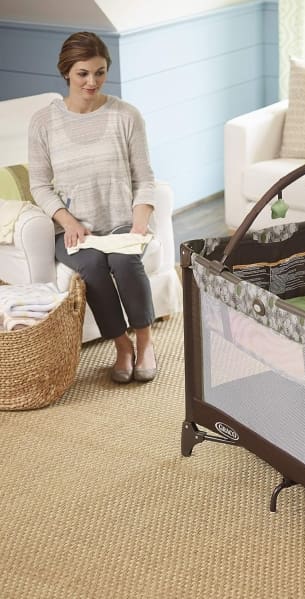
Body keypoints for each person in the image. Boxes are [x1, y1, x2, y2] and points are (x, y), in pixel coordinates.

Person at [28, 31, 157, 383]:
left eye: (100, 72)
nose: (92, 81)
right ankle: (121, 345)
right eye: (83, 73)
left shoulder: (126, 115)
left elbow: (145, 177)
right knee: (93, 268)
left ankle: (144, 342)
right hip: (74, 226)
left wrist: (140, 221)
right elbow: (38, 184)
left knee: (124, 262)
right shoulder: (44, 121)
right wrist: (67, 221)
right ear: (67, 71)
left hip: (120, 221)